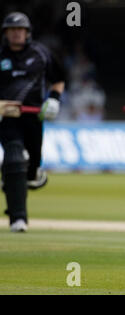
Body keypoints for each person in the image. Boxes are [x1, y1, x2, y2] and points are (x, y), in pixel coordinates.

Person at [0, 12, 65, 232]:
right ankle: (18, 218)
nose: (16, 33)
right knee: (14, 157)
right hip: (7, 118)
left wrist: (54, 100)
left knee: (30, 169)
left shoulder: (41, 53)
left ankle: (23, 177)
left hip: (34, 117)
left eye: (20, 29)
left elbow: (58, 80)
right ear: (6, 33)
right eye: (12, 30)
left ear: (27, 32)